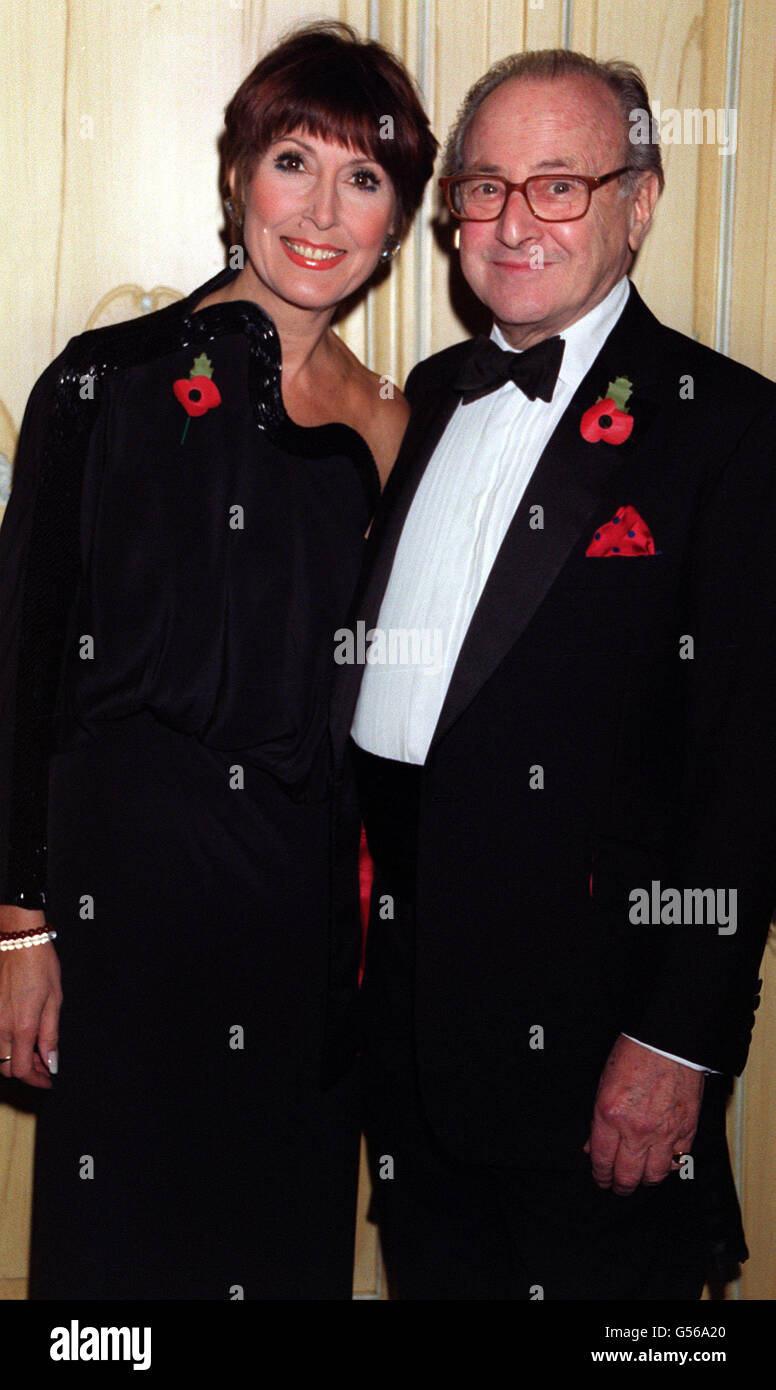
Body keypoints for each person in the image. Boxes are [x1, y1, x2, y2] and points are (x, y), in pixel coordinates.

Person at [0, 19, 436, 1300]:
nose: (320, 209)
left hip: (303, 914)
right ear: (239, 173)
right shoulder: (104, 383)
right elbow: (21, 666)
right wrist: (20, 925)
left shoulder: (400, 426)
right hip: (122, 896)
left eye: (363, 179)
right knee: (119, 1269)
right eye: (293, 160)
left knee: (279, 1241)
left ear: (398, 220)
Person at [330, 48, 776, 1299]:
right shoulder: (422, 397)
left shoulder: (726, 430)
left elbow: (745, 774)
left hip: (592, 1055)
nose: (513, 220)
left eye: (558, 184)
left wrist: (676, 1040)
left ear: (638, 201)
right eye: (483, 186)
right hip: (403, 1033)